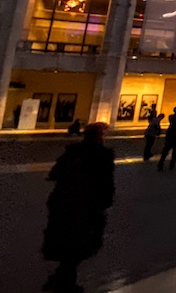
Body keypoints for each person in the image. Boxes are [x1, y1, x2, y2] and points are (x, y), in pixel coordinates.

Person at [42, 122, 115, 293]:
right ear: (100, 136)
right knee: (82, 241)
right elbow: (106, 183)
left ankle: (62, 275)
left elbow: (54, 174)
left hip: (64, 200)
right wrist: (105, 203)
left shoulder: (73, 150)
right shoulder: (103, 154)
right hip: (87, 204)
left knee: (66, 237)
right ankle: (65, 280)